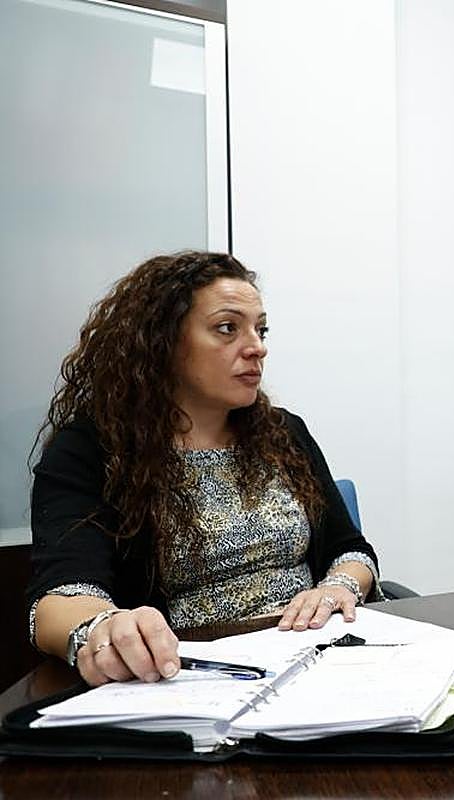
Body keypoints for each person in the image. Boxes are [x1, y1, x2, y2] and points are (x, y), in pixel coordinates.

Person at [27, 251, 382, 687]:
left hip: (320, 658)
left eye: (260, 328)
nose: (257, 347)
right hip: (195, 679)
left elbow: (351, 551)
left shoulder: (284, 433)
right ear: (162, 341)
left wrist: (339, 587)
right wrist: (103, 628)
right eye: (227, 328)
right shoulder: (92, 450)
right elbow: (60, 598)